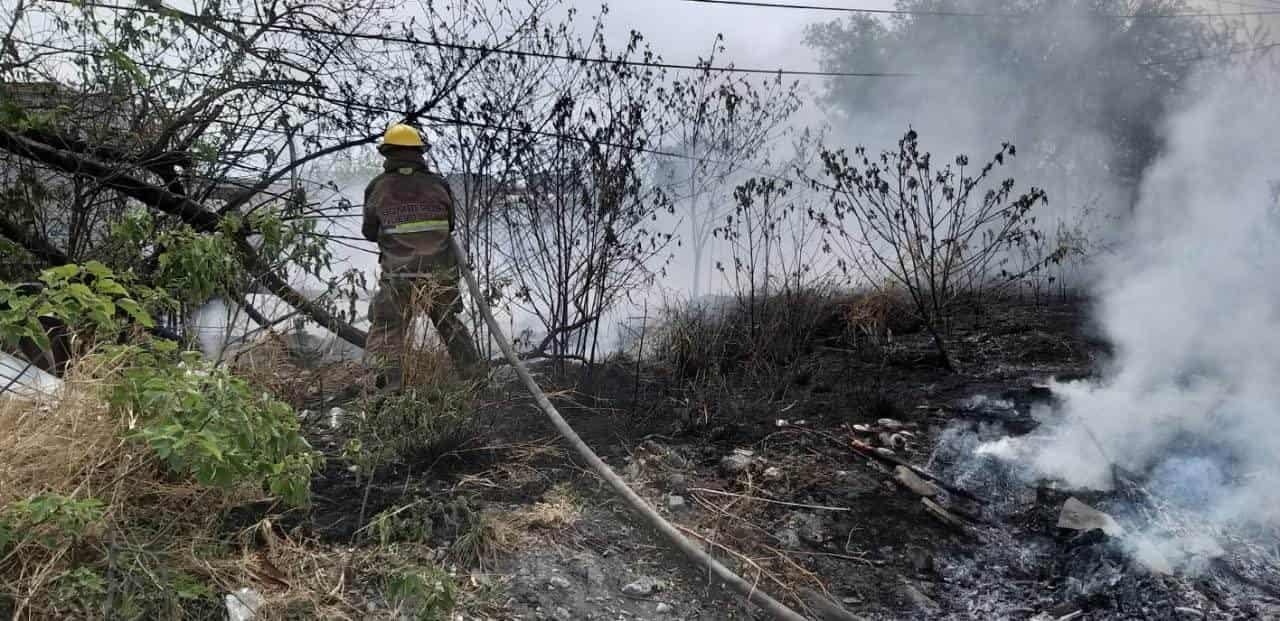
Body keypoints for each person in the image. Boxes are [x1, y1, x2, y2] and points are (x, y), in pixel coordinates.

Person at [362, 123, 482, 391]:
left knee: (387, 330)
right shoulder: (438, 185)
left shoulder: (377, 187)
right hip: (440, 273)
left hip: (399, 275)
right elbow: (450, 224)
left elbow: (369, 232)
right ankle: (476, 381)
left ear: (387, 153)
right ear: (419, 153)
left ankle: (385, 392)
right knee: (450, 325)